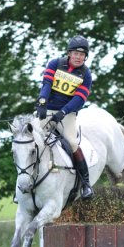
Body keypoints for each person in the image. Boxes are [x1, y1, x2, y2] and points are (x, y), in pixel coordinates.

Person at [36, 35, 94, 199]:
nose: (78, 57)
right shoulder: (55, 64)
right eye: (75, 53)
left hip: (67, 113)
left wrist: (63, 112)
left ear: (85, 57)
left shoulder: (86, 75)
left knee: (72, 142)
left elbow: (79, 99)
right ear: (69, 53)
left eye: (82, 55)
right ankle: (24, 179)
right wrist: (42, 103)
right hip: (48, 109)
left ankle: (86, 185)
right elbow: (46, 85)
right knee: (30, 137)